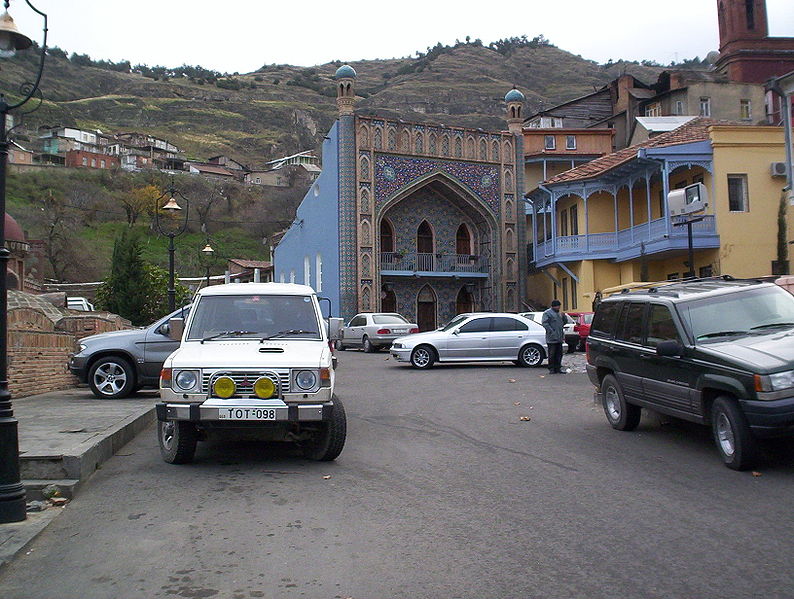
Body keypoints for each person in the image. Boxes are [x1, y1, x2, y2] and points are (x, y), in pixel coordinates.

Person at [542, 299, 565, 374]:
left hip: (559, 337)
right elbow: (545, 323)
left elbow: (563, 323)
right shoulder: (547, 313)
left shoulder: (559, 314)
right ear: (554, 306)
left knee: (559, 354)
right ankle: (551, 368)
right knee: (552, 354)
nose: (559, 308)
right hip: (551, 338)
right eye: (557, 306)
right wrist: (552, 332)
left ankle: (558, 368)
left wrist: (564, 317)